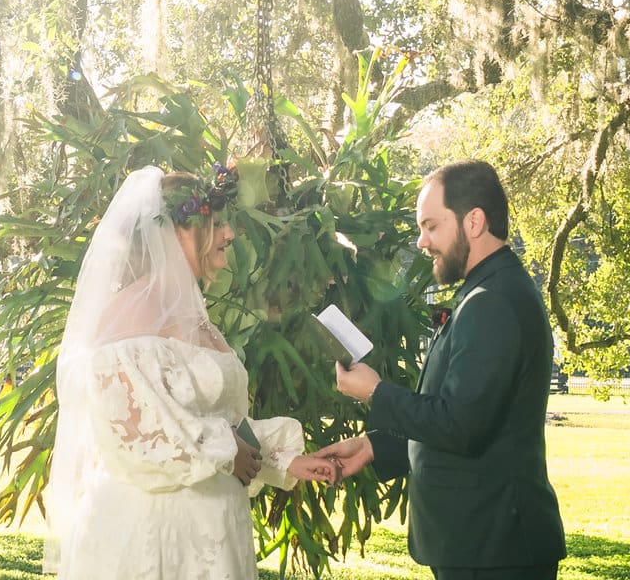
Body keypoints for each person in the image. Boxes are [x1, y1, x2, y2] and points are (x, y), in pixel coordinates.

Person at [44, 163, 339, 578]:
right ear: (174, 232)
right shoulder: (129, 314)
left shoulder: (198, 319)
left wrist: (285, 459)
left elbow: (217, 421)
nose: (230, 235)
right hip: (156, 533)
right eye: (216, 223)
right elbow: (130, 431)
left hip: (215, 526)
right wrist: (226, 449)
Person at [318, 159, 566, 580]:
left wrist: (377, 394)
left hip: (494, 547)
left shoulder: (493, 301)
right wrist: (375, 447)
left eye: (431, 226)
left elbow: (460, 426)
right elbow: (478, 424)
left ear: (474, 221)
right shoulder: (488, 292)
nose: (421, 242)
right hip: (482, 543)